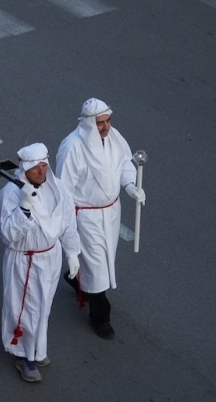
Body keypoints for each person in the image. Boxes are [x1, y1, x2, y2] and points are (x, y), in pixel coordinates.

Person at [55, 98, 146, 339]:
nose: (105, 127)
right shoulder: (72, 147)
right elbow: (63, 189)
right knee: (96, 264)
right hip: (86, 215)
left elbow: (125, 164)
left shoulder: (114, 138)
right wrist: (67, 225)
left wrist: (129, 185)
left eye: (107, 121)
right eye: (99, 123)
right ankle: (100, 315)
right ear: (87, 123)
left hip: (111, 212)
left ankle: (77, 278)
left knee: (106, 258)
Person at [0, 142, 80, 382]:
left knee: (43, 306)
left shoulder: (59, 189)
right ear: (25, 170)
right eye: (35, 168)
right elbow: (7, 235)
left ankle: (37, 348)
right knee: (24, 308)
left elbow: (67, 222)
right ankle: (23, 356)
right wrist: (24, 207)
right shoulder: (10, 194)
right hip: (24, 259)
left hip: (50, 257)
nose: (42, 171)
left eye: (44, 166)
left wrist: (72, 253)